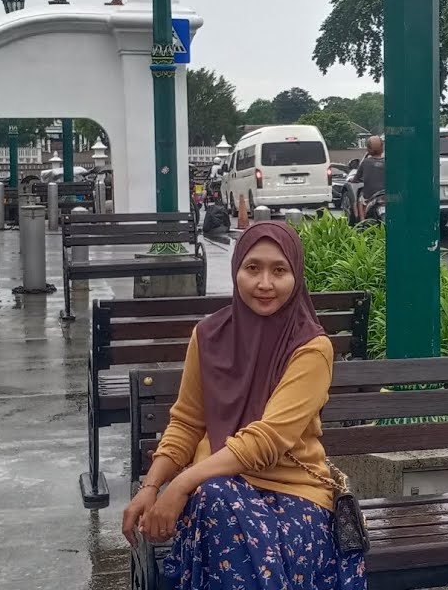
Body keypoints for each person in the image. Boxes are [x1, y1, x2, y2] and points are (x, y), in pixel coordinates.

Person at [122, 222, 366, 590]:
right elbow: (187, 422)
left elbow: (268, 439)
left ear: (296, 276)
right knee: (218, 499)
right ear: (236, 270)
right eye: (253, 268)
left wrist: (183, 482)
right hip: (217, 495)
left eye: (279, 270)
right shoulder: (208, 336)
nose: (264, 283)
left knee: (217, 504)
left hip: (295, 496)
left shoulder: (311, 347)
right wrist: (152, 486)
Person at [353, 135, 385, 219]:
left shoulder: (366, 162)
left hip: (370, 196)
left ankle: (363, 223)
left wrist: (352, 180)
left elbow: (356, 178)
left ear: (368, 149)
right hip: (385, 194)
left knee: (360, 200)